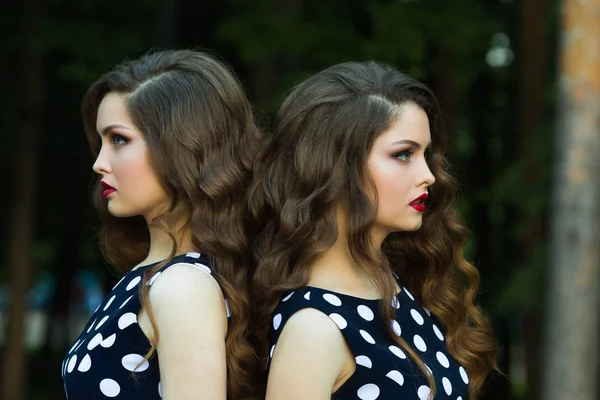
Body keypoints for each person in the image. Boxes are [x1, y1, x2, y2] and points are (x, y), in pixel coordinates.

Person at [249, 61, 498, 400]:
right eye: (404, 154)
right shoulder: (314, 328)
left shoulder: (395, 288)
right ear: (334, 166)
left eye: (425, 154)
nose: (429, 175)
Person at [62, 49, 261, 400]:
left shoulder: (181, 286)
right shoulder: (155, 276)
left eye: (119, 140)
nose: (99, 163)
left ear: (182, 147)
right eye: (101, 142)